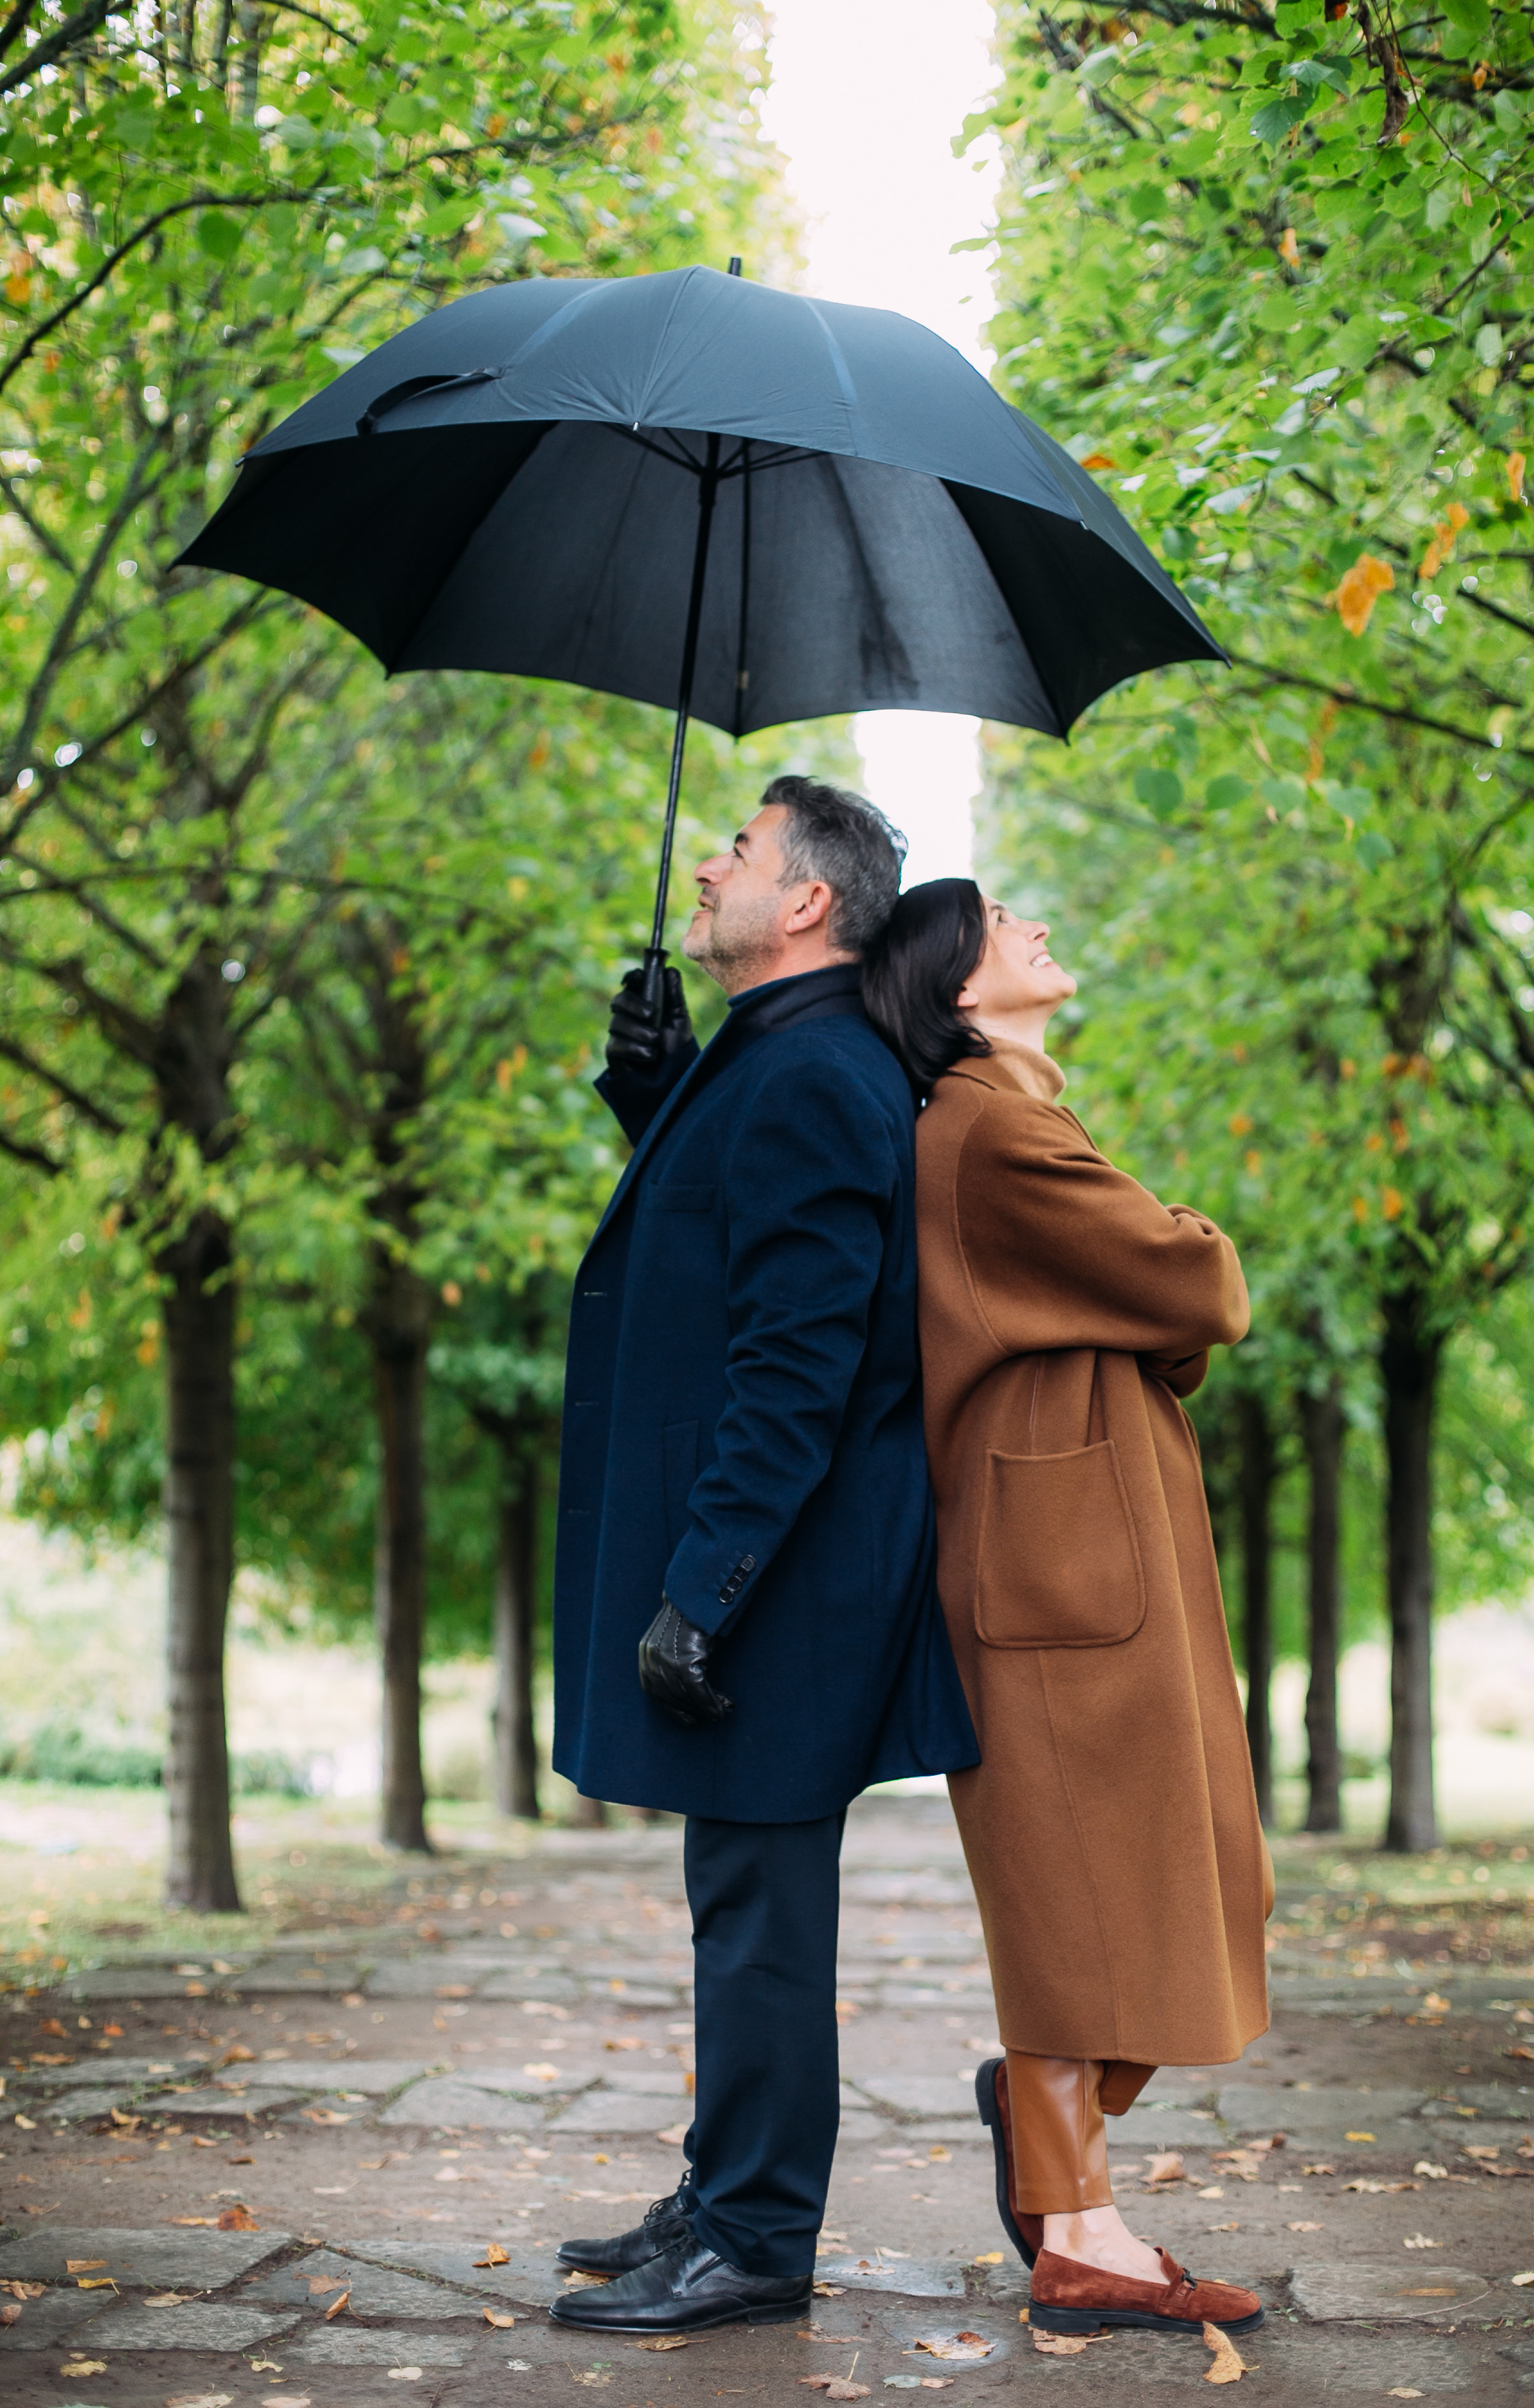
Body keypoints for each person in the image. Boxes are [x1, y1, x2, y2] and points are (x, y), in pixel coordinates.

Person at [548, 780, 979, 2339]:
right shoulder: (780, 1058)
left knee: (761, 1921)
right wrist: (652, 1091)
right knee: (738, 1900)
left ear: (803, 902)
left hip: (785, 1578)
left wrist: (706, 1589)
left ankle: (753, 2237)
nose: (704, 870)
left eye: (735, 851)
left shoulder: (815, 1070)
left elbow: (796, 1362)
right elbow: (726, 1236)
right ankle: (720, 2191)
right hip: (778, 1566)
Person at [862, 877, 1271, 2345]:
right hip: (1058, 1561)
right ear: (959, 988)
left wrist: (1151, 1302)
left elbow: (1160, 1310)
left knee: (1181, 1883)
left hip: (1086, 1548)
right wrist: (1172, 1269)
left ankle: (1053, 2137)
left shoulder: (1013, 1121)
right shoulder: (992, 1129)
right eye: (999, 918)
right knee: (1083, 1899)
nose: (1030, 921)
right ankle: (1080, 2232)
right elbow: (1197, 1286)